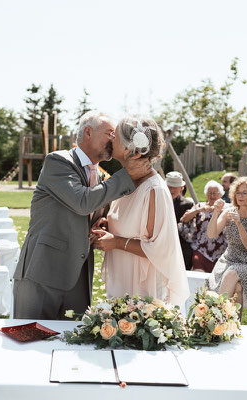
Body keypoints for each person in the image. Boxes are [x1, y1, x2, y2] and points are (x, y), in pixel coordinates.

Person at [12, 110, 149, 320]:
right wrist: (128, 174)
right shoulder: (58, 161)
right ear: (88, 132)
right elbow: (82, 202)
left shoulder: (101, 177)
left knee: (71, 345)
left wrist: (102, 224)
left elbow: (90, 212)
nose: (114, 140)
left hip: (78, 277)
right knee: (31, 343)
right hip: (43, 273)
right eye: (110, 133)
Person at [93, 117, 190, 306]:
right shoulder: (124, 183)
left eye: (116, 135)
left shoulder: (155, 190)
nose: (112, 137)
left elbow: (160, 248)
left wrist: (116, 242)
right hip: (121, 279)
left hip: (143, 289)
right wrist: (109, 225)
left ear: (131, 149)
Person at [205, 177, 247, 317]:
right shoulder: (229, 212)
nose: (240, 196)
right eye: (238, 192)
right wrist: (216, 212)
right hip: (229, 259)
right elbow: (211, 234)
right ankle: (233, 327)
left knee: (231, 273)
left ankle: (216, 317)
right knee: (237, 289)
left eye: (245, 193)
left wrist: (239, 224)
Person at [178, 180, 228, 273]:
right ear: (206, 194)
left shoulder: (227, 209)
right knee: (199, 276)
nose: (212, 195)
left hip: (220, 251)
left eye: (215, 193)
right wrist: (198, 210)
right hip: (200, 249)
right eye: (210, 193)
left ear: (220, 194)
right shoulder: (200, 206)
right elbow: (184, 219)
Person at [166, 171, 194, 269]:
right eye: (169, 187)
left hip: (180, 241)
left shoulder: (187, 204)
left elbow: (188, 230)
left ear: (181, 188)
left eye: (175, 187)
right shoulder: (157, 200)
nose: (172, 190)